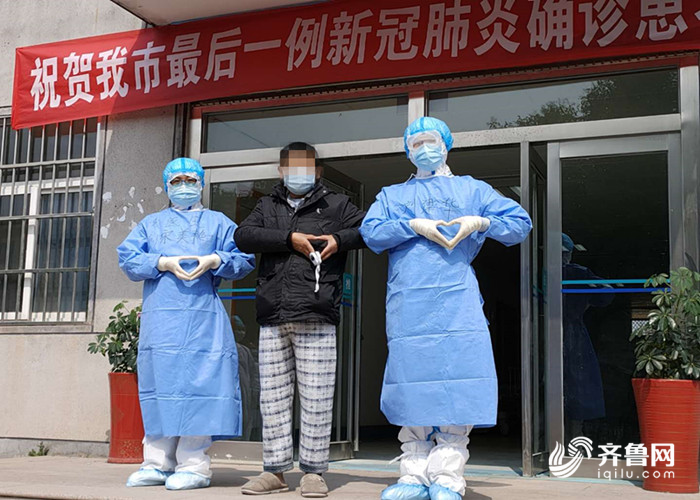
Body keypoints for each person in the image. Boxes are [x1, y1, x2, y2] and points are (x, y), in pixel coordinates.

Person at [360, 118, 532, 500]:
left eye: (431, 141)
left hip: (457, 301)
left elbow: (520, 223)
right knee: (412, 382)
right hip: (409, 303)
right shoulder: (392, 196)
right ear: (407, 150)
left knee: (458, 380)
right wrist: (413, 225)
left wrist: (481, 221)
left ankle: (448, 477)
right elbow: (371, 232)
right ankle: (413, 475)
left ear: (447, 144)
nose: (425, 148)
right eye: (417, 143)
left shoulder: (472, 190)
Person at [234, 142, 366, 498]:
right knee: (272, 399)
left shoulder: (337, 204)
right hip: (273, 314)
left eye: (306, 167)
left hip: (316, 312)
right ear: (280, 171)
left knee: (317, 398)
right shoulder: (267, 205)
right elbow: (243, 236)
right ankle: (275, 472)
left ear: (317, 172)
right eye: (291, 167)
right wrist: (287, 239)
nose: (298, 173)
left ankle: (313, 472)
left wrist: (339, 239)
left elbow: (370, 230)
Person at [117, 157, 255, 491]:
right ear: (166, 185)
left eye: (190, 180)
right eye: (176, 181)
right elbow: (128, 258)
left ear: (201, 183)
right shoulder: (151, 225)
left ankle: (194, 464)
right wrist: (161, 262)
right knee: (160, 386)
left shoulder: (218, 223)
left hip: (203, 318)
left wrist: (216, 259)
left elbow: (244, 258)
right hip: (162, 320)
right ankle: (157, 463)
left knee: (200, 386)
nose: (183, 186)